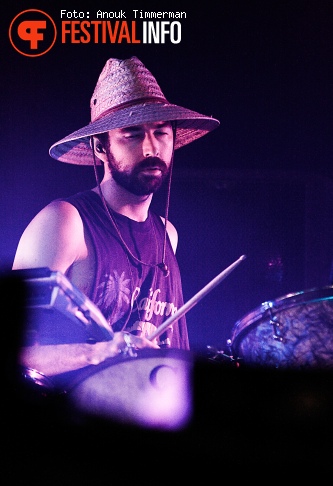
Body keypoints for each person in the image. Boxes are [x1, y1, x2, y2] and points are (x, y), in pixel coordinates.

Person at [12, 56, 220, 382]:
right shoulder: (65, 222)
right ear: (100, 147)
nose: (151, 147)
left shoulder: (167, 234)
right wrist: (103, 352)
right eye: (132, 134)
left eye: (161, 133)